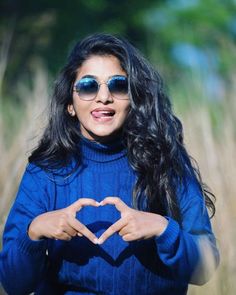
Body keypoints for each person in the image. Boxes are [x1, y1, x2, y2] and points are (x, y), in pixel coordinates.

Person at [0, 33, 219, 295]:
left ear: (134, 98)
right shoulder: (45, 171)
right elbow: (12, 284)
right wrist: (35, 231)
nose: (103, 97)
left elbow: (205, 268)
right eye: (88, 86)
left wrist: (163, 229)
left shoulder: (166, 162)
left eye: (118, 85)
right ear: (70, 104)